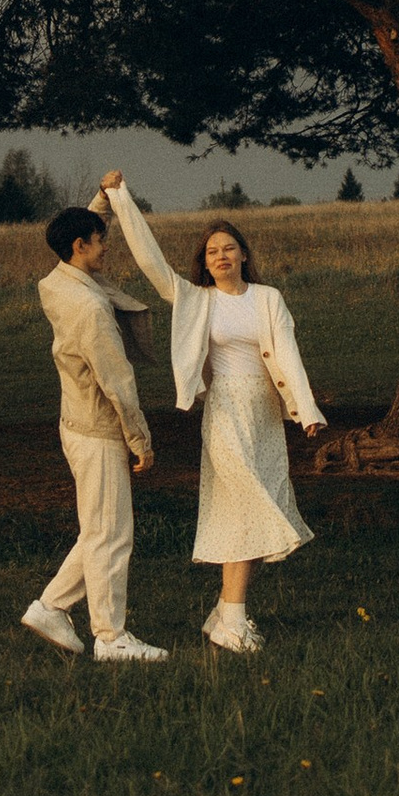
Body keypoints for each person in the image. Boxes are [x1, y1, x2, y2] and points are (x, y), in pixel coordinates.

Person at [97, 174, 323, 654]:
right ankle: (231, 623)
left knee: (253, 512)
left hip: (263, 414)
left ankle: (224, 612)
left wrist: (305, 411)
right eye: (211, 252)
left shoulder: (268, 299)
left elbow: (288, 354)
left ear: (243, 254)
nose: (220, 256)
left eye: (228, 248)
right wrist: (120, 199)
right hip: (224, 412)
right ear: (204, 262)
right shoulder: (196, 300)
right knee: (249, 508)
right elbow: (151, 260)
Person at [20, 203, 164, 664]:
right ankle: (110, 636)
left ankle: (50, 608)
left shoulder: (56, 281)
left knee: (100, 530)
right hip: (98, 431)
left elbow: (72, 228)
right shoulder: (90, 307)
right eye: (100, 240)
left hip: (75, 424)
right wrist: (139, 439)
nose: (105, 249)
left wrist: (99, 202)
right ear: (79, 247)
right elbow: (118, 382)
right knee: (111, 536)